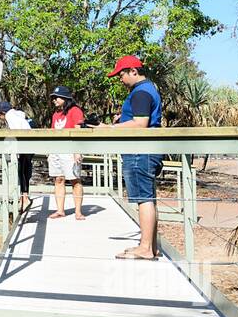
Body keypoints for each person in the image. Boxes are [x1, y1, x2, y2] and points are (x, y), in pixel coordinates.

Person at [100, 55, 163, 259]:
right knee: (148, 199)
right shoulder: (147, 89)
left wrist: (110, 128)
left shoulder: (141, 93)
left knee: (143, 199)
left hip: (139, 151)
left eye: (121, 74)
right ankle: (150, 246)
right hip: (146, 150)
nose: (119, 78)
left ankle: (145, 248)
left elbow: (141, 123)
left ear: (133, 71)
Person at [46, 86, 86, 219]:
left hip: (70, 151)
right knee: (58, 179)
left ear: (65, 98)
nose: (54, 100)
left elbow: (78, 131)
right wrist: (49, 151)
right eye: (53, 98)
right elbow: (52, 132)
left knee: (75, 180)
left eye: (56, 97)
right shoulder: (56, 114)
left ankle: (78, 212)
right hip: (56, 151)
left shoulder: (75, 111)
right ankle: (60, 210)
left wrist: (77, 151)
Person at [0, 99, 34, 212]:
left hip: (25, 145)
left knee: (21, 172)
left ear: (2, 113)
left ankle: (24, 198)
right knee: (24, 171)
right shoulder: (17, 114)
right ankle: (24, 197)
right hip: (29, 145)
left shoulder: (10, 117)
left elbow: (16, 133)